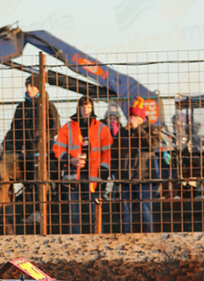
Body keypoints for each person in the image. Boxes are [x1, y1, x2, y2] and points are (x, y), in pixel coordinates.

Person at [53, 96, 113, 234]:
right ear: (78, 109)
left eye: (89, 107)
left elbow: (108, 153)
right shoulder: (68, 128)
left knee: (96, 214)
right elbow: (57, 149)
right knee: (74, 215)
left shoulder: (101, 128)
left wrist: (103, 172)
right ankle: (75, 242)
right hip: (73, 176)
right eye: (83, 107)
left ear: (92, 109)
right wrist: (70, 160)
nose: (86, 111)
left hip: (94, 176)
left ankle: (99, 240)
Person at [3, 72, 61, 199]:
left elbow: (55, 127)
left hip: (41, 153)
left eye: (32, 86)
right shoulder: (21, 107)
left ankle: (41, 213)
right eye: (27, 86)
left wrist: (43, 139)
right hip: (24, 153)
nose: (29, 89)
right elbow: (14, 129)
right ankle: (29, 212)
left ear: (39, 88)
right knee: (27, 184)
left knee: (39, 184)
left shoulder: (48, 106)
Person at [115, 100, 160, 234]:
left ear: (141, 117)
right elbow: (115, 151)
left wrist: (137, 130)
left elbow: (152, 145)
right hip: (126, 177)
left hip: (144, 177)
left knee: (146, 210)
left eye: (135, 116)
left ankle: (150, 235)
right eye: (131, 116)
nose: (132, 119)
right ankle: (127, 236)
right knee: (126, 212)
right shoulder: (123, 132)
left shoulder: (152, 129)